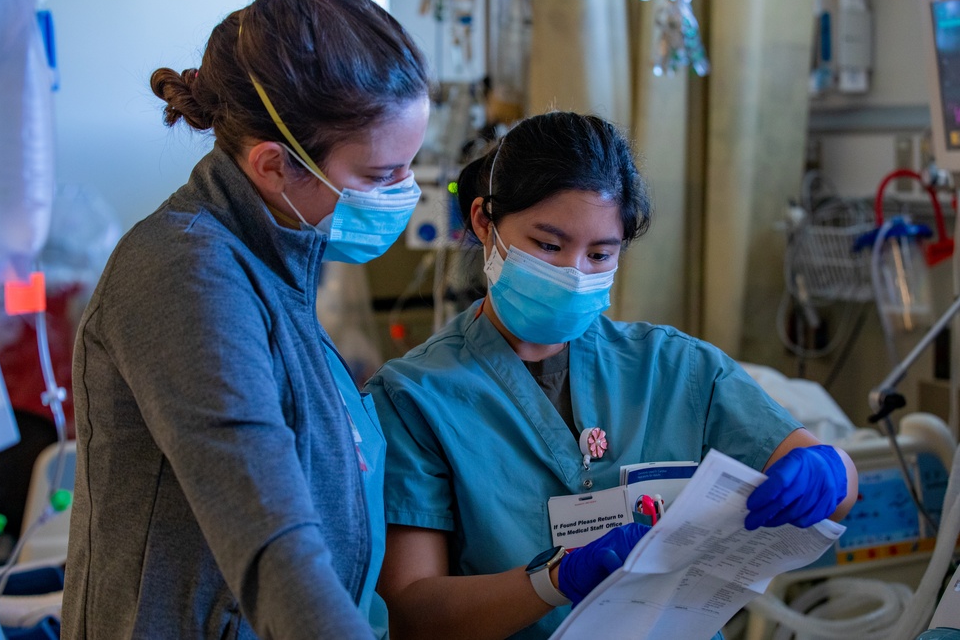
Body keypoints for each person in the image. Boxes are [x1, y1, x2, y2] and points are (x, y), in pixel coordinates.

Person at [365, 111, 858, 639]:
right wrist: (553, 582)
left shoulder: (675, 368)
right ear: (485, 222)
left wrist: (828, 472)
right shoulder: (415, 398)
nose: (575, 273)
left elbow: (839, 483)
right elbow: (412, 613)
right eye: (548, 246)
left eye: (601, 253)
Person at [62, 0, 430, 639]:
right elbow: (271, 536)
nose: (403, 196)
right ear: (273, 165)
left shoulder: (275, 262)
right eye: (379, 177)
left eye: (410, 169)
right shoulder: (185, 273)